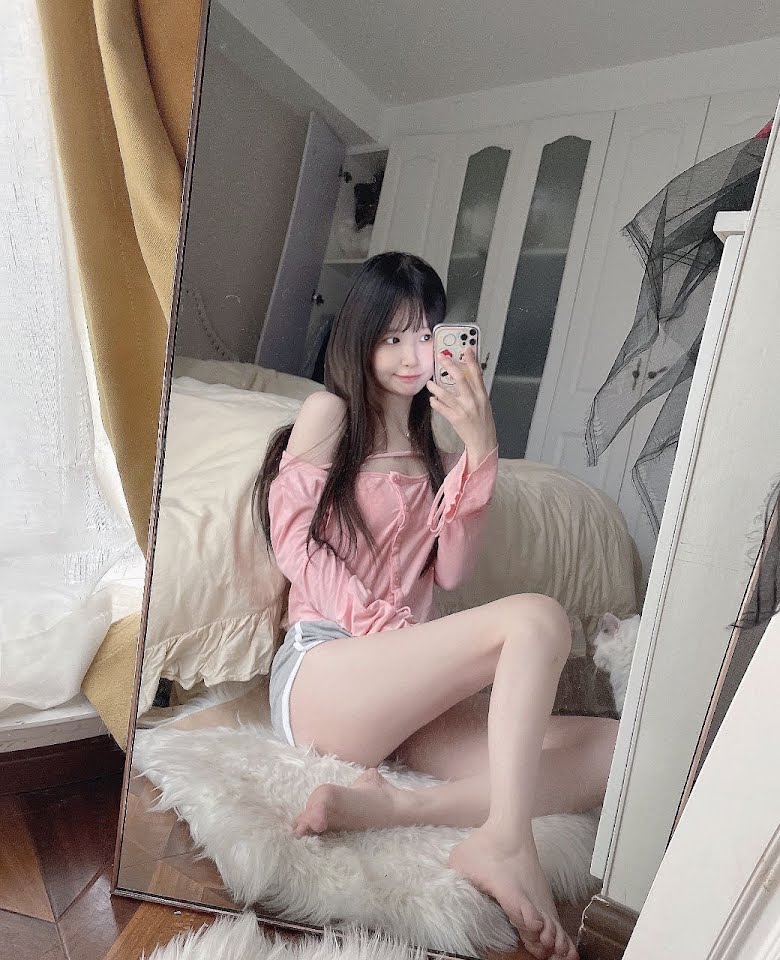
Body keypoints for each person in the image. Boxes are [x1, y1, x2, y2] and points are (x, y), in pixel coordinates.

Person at [253, 252, 617, 960]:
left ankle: (398, 807)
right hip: (328, 669)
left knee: (612, 748)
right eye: (391, 336)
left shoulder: (434, 447)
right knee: (537, 617)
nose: (411, 355)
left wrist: (480, 450)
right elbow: (294, 543)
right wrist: (378, 628)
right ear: (360, 338)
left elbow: (450, 570)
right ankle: (507, 840)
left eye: (425, 335)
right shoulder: (329, 414)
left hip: (404, 690)